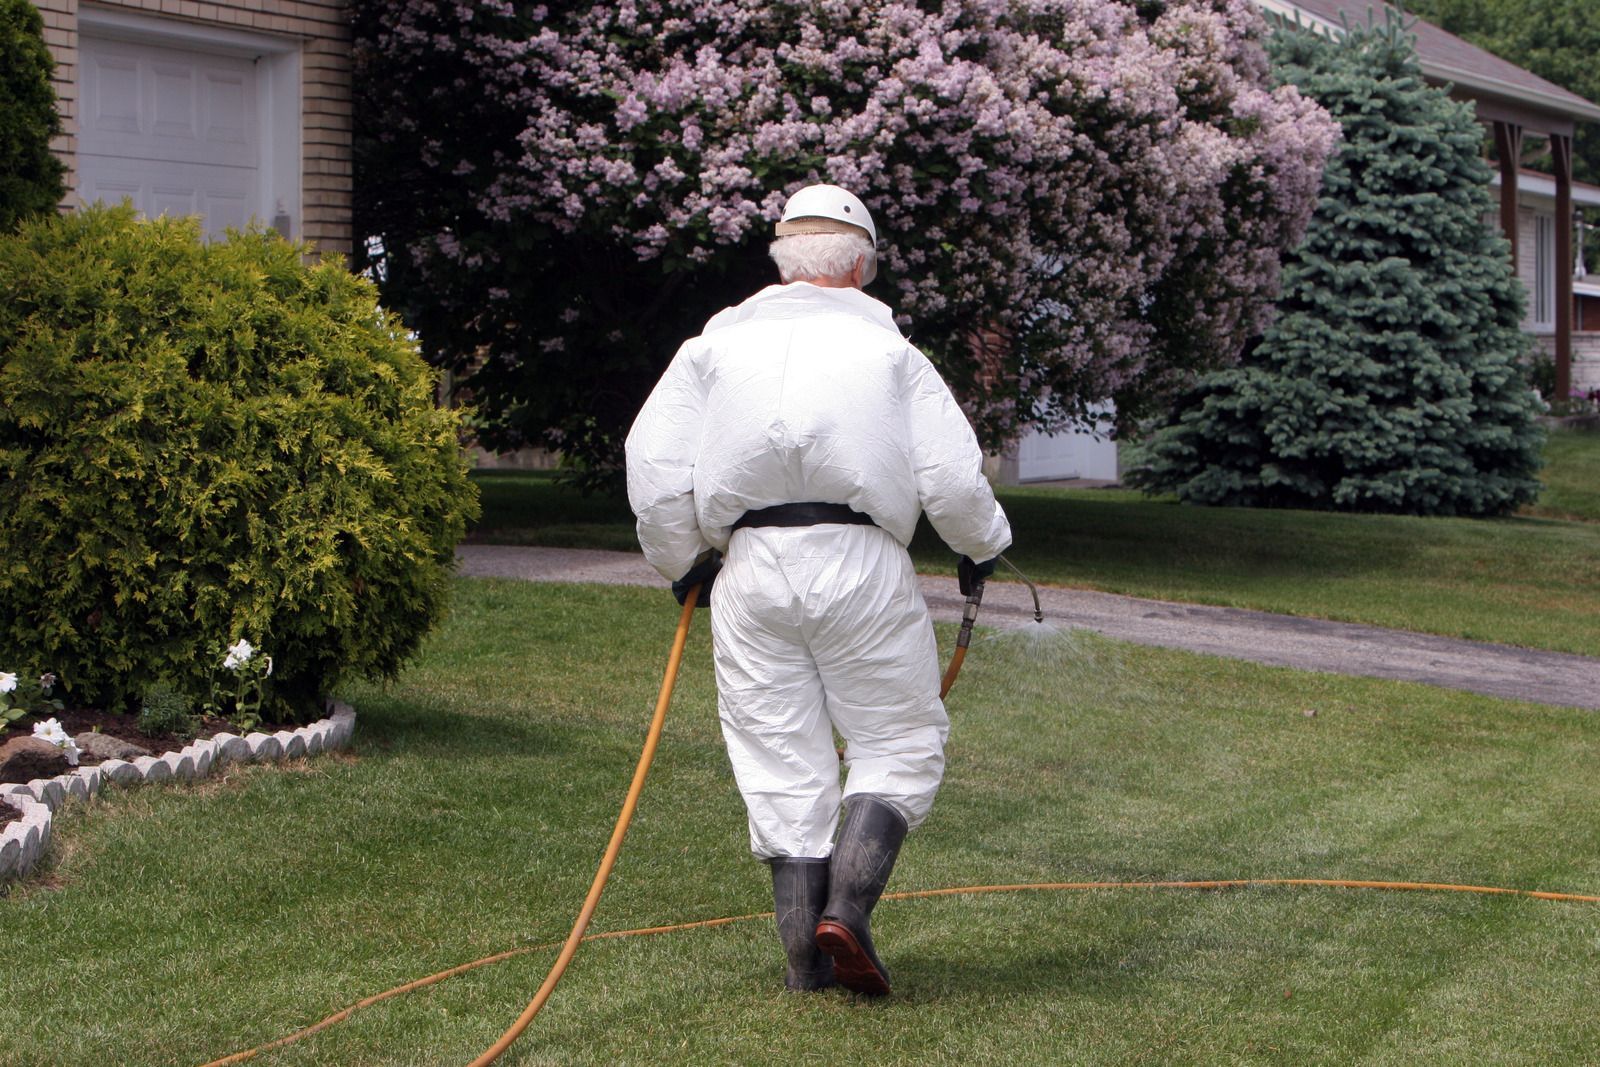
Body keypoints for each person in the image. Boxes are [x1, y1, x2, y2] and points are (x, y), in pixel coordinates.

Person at [625, 183, 1012, 996]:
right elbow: (950, 478)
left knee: (779, 757)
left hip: (750, 565)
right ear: (862, 267)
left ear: (781, 262)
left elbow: (653, 466)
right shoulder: (891, 354)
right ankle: (848, 911)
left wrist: (683, 562)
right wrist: (983, 546)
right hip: (860, 561)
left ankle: (806, 963)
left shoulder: (712, 348)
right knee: (897, 740)